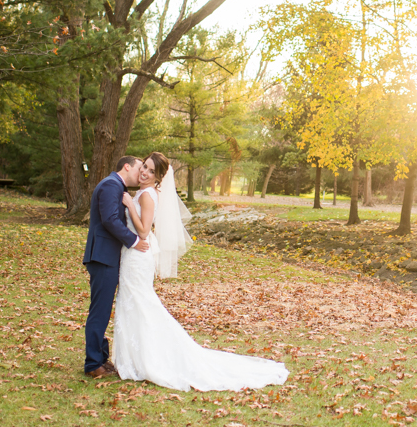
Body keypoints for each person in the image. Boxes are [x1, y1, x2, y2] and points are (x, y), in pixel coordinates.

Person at [112, 151, 289, 392]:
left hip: (138, 256)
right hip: (134, 256)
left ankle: (147, 359)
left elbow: (143, 231)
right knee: (136, 303)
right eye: (144, 167)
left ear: (159, 177)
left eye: (151, 171)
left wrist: (128, 206)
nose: (144, 172)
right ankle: (136, 357)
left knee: (141, 303)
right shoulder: (143, 193)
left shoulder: (147, 196)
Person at [83, 156, 150, 378]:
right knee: (99, 312)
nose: (141, 173)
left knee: (102, 310)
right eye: (140, 168)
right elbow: (110, 220)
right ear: (127, 166)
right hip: (103, 257)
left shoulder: (114, 185)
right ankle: (93, 364)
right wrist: (134, 241)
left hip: (106, 256)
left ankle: (100, 358)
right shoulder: (111, 185)